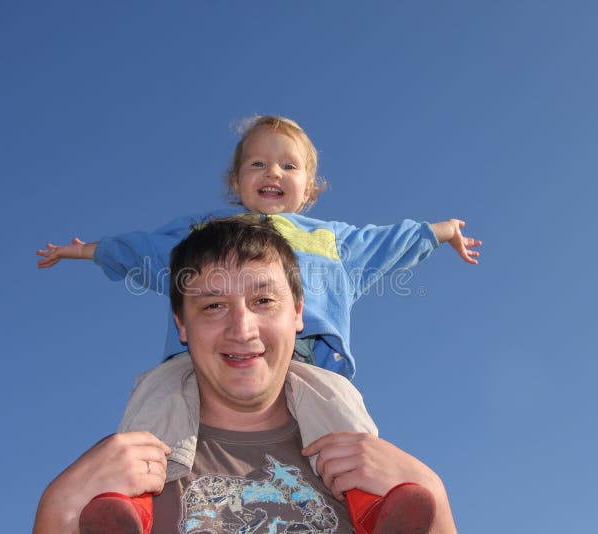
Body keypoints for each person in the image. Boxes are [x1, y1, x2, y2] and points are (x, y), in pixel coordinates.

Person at [32, 218, 457, 533]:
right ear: (181, 325)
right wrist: (58, 509)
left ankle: (370, 514)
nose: (242, 329)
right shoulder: (121, 473)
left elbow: (383, 245)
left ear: (297, 313)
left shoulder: (364, 465)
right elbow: (136, 251)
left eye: (264, 300)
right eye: (213, 306)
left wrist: (434, 496)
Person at [36, 115, 481, 380]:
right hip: (202, 359)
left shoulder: (332, 239)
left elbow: (388, 242)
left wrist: (440, 230)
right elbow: (145, 251)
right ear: (236, 181)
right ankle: (139, 490)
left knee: (340, 416)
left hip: (305, 356)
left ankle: (366, 497)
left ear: (309, 188)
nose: (273, 171)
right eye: (257, 163)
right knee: (159, 397)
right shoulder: (204, 232)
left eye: (289, 165)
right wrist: (89, 250)